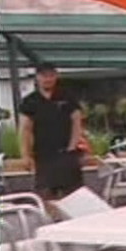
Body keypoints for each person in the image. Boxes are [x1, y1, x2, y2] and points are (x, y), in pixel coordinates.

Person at [19, 63, 84, 204]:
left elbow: (77, 122)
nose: (48, 79)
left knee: (74, 197)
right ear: (37, 77)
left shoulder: (67, 97)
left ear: (56, 76)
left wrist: (72, 147)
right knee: (46, 197)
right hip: (43, 156)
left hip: (67, 154)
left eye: (51, 75)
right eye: (44, 76)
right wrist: (25, 155)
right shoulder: (30, 101)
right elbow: (25, 129)